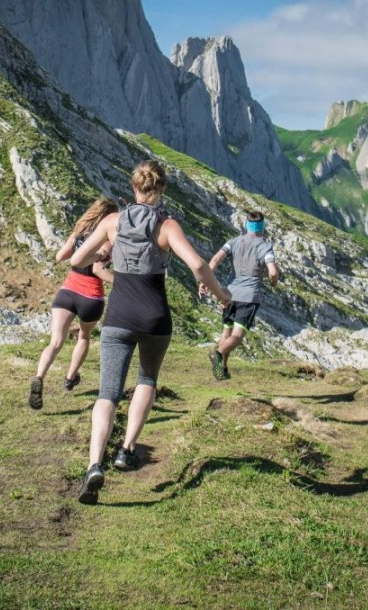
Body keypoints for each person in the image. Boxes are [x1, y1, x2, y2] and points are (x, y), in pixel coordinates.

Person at [67, 160, 231, 504]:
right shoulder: (166, 225)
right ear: (162, 189)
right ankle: (126, 449)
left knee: (107, 394)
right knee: (146, 380)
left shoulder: (112, 222)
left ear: (133, 188)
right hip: (155, 317)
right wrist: (222, 295)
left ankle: (94, 464)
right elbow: (198, 265)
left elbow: (77, 260)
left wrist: (106, 254)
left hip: (119, 316)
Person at [29, 198, 119, 410]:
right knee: (84, 336)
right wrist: (124, 282)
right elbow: (98, 270)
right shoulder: (106, 238)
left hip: (67, 292)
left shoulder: (79, 231)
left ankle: (39, 376)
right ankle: (70, 378)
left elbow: (60, 255)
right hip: (91, 296)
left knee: (55, 342)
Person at [200, 210, 279, 380]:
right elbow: (272, 271)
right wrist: (274, 281)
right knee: (237, 335)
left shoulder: (233, 242)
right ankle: (218, 353)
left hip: (229, 294)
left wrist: (205, 280)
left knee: (226, 331)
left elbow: (215, 260)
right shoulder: (264, 246)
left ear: (246, 225)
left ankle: (222, 370)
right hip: (249, 297)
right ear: (263, 227)